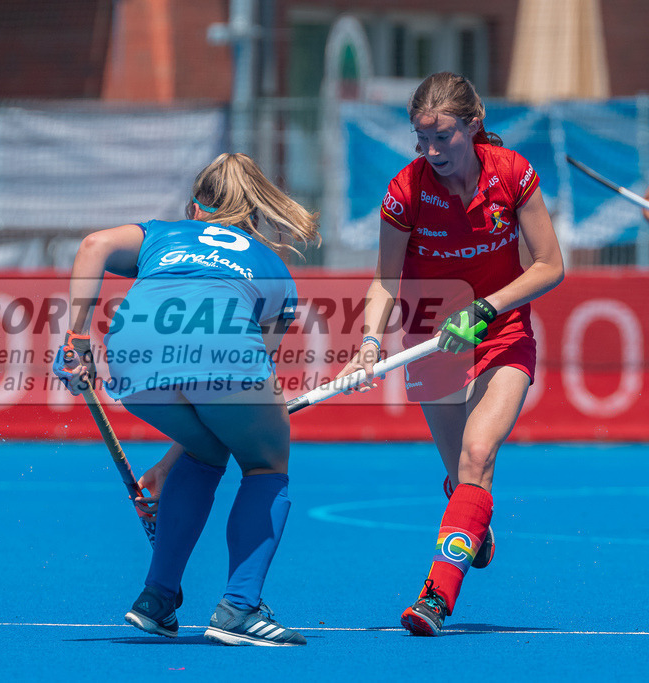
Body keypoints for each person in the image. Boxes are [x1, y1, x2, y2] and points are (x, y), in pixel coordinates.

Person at [52, 153, 319, 646]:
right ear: (253, 214)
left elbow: (93, 245)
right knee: (266, 463)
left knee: (205, 451)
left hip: (131, 353)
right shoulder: (272, 265)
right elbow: (248, 374)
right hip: (226, 350)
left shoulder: (162, 233)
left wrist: (77, 339)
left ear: (196, 206)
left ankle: (156, 599)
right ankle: (239, 609)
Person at [337, 72, 564, 636]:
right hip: (431, 337)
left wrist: (486, 308)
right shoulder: (405, 191)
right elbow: (386, 281)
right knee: (459, 474)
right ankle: (472, 519)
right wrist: (368, 345)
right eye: (422, 140)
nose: (432, 151)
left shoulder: (511, 175)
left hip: (502, 329)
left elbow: (549, 265)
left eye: (444, 138)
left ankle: (436, 597)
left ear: (473, 126)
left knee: (477, 454)